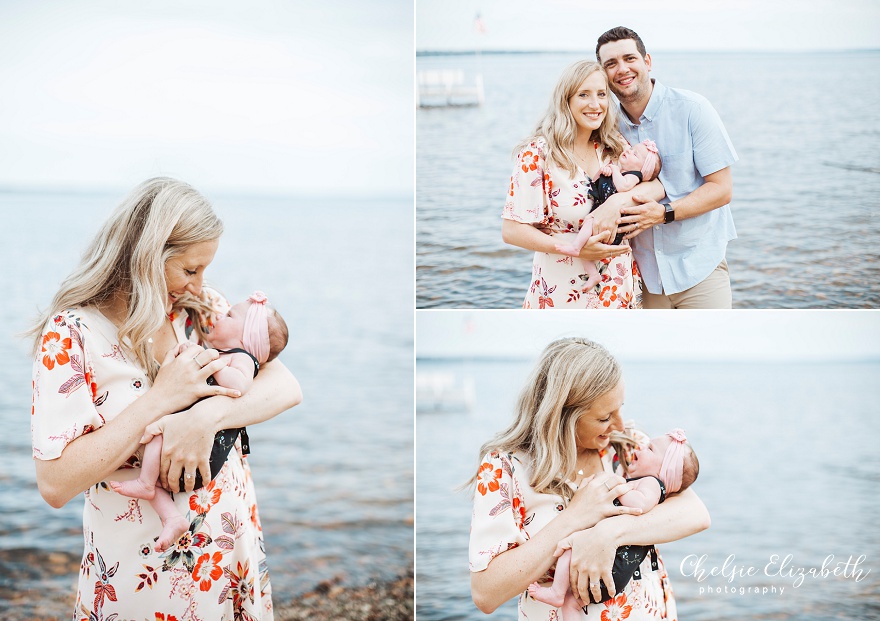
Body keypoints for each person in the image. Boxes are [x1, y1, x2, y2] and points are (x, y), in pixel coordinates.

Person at [29, 178, 302, 620]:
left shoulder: (198, 309)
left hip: (228, 545)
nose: (199, 284)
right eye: (189, 270)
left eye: (203, 271)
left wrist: (204, 418)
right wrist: (160, 400)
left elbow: (286, 385)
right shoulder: (72, 335)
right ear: (145, 256)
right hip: (141, 564)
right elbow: (55, 484)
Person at [468, 337, 710, 620]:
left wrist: (607, 533)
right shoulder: (505, 468)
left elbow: (696, 514)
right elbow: (485, 594)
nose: (620, 424)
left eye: (620, 408)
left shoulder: (628, 447)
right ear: (562, 416)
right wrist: (574, 517)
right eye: (606, 416)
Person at [109, 291, 290, 553]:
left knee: (156, 435)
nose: (220, 315)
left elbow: (240, 384)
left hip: (208, 452)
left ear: (246, 337)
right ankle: (172, 517)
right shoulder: (219, 351)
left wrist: (210, 362)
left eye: (229, 316)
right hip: (188, 450)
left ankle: (147, 484)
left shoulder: (242, 358)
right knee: (154, 451)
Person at [501, 60, 667, 309]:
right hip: (563, 288)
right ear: (565, 100)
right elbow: (512, 231)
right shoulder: (538, 153)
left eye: (601, 94)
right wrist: (574, 248)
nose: (595, 104)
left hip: (618, 290)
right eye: (583, 95)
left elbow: (657, 187)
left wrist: (616, 202)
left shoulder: (613, 146)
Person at [593, 26, 738, 309]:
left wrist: (664, 214)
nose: (622, 69)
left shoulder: (693, 109)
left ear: (647, 62)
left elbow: (721, 190)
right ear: (604, 74)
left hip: (699, 268)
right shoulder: (604, 125)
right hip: (643, 277)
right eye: (611, 63)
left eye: (629, 58)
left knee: (711, 349)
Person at [527, 428, 699, 619]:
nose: (641, 446)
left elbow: (640, 504)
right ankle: (560, 596)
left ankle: (557, 591)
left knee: (569, 550)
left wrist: (615, 484)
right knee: (571, 604)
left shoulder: (651, 484)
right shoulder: (638, 480)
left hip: (614, 566)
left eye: (650, 449)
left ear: (662, 471)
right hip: (609, 569)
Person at [554, 140, 662, 290]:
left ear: (643, 169)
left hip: (611, 224)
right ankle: (593, 274)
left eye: (635, 154)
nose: (629, 151)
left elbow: (623, 186)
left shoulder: (634, 176)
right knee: (586, 251)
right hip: (602, 214)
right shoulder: (619, 172)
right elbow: (594, 181)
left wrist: (615, 170)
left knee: (588, 223)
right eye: (631, 149)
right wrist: (604, 171)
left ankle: (575, 246)